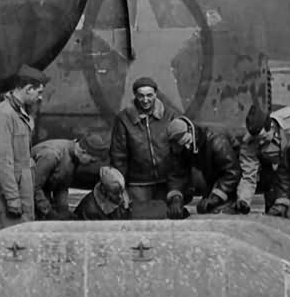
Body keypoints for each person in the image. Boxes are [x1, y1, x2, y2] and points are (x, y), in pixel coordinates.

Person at [0, 65, 48, 227]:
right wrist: (12, 199)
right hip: (8, 197)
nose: (40, 97)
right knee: (13, 246)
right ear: (28, 89)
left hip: (21, 194)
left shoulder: (19, 113)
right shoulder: (3, 115)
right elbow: (1, 160)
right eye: (38, 92)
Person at [235, 102, 290, 213]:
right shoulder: (249, 144)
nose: (260, 142)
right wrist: (243, 200)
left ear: (270, 127)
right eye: (256, 139)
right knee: (276, 212)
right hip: (275, 179)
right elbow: (248, 176)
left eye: (263, 138)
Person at [108, 76, 175, 207]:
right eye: (141, 96)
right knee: (139, 216)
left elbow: (177, 151)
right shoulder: (123, 119)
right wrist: (121, 188)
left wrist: (176, 184)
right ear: (135, 95)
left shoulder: (169, 116)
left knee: (165, 217)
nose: (145, 100)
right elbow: (118, 156)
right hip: (137, 184)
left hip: (165, 181)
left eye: (149, 95)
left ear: (156, 94)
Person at [164, 115, 238, 215]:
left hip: (233, 182)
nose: (187, 147)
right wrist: (176, 198)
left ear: (190, 132)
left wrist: (216, 197)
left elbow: (232, 172)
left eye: (187, 142)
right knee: (203, 208)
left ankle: (232, 205)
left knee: (212, 210)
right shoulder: (180, 149)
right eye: (182, 145)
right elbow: (176, 175)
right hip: (213, 179)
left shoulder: (216, 141)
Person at [31, 133, 98, 221]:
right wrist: (48, 212)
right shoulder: (52, 155)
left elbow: (62, 186)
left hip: (42, 192)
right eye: (91, 161)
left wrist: (63, 211)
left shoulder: (75, 157)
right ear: (84, 152)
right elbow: (33, 187)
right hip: (29, 196)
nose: (91, 164)